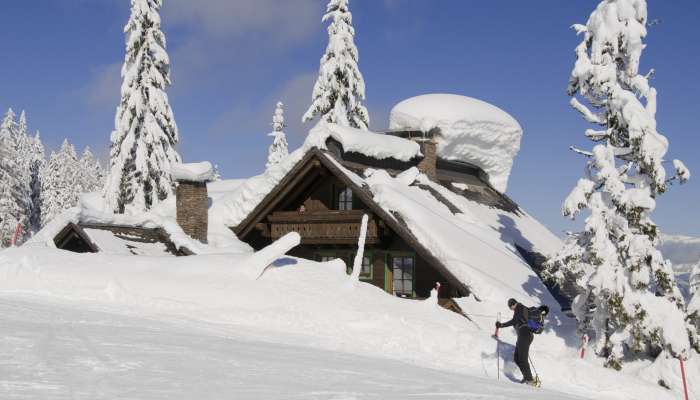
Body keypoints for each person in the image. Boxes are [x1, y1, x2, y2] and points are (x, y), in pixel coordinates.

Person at [495, 298, 547, 386]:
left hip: (525, 335)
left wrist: (501, 325)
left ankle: (530, 380)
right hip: (523, 336)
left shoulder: (519, 308)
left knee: (522, 358)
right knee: (517, 358)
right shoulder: (521, 309)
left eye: (510, 307)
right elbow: (517, 322)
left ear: (512, 305)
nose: (511, 309)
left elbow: (514, 321)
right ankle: (526, 377)